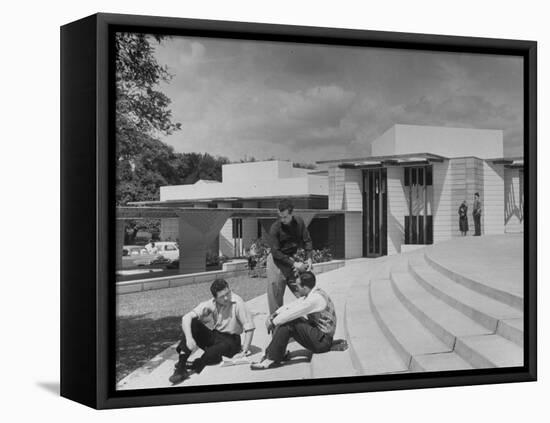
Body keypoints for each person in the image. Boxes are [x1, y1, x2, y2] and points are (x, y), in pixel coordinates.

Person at [168, 279, 255, 385]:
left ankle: (194, 364)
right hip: (216, 335)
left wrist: (244, 351)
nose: (226, 298)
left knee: (211, 353)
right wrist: (190, 338)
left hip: (232, 340)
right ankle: (181, 368)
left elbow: (249, 327)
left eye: (228, 293)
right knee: (193, 323)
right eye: (222, 297)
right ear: (215, 298)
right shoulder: (211, 303)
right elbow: (186, 317)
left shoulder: (238, 302)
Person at [251, 271, 336, 370]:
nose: (296, 289)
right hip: (320, 337)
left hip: (322, 342)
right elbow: (293, 305)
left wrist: (273, 322)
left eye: (298, 287)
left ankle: (272, 358)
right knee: (290, 320)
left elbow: (293, 313)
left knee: (290, 322)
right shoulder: (314, 292)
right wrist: (274, 315)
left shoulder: (314, 299)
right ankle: (275, 354)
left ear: (305, 288)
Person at [266, 199, 313, 315]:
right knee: (275, 300)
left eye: (285, 217)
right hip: (276, 262)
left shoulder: (299, 223)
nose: (282, 220)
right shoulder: (275, 228)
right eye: (280, 217)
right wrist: (294, 264)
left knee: (304, 292)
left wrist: (309, 258)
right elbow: (276, 253)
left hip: (291, 259)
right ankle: (276, 329)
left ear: (291, 214)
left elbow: (307, 241)